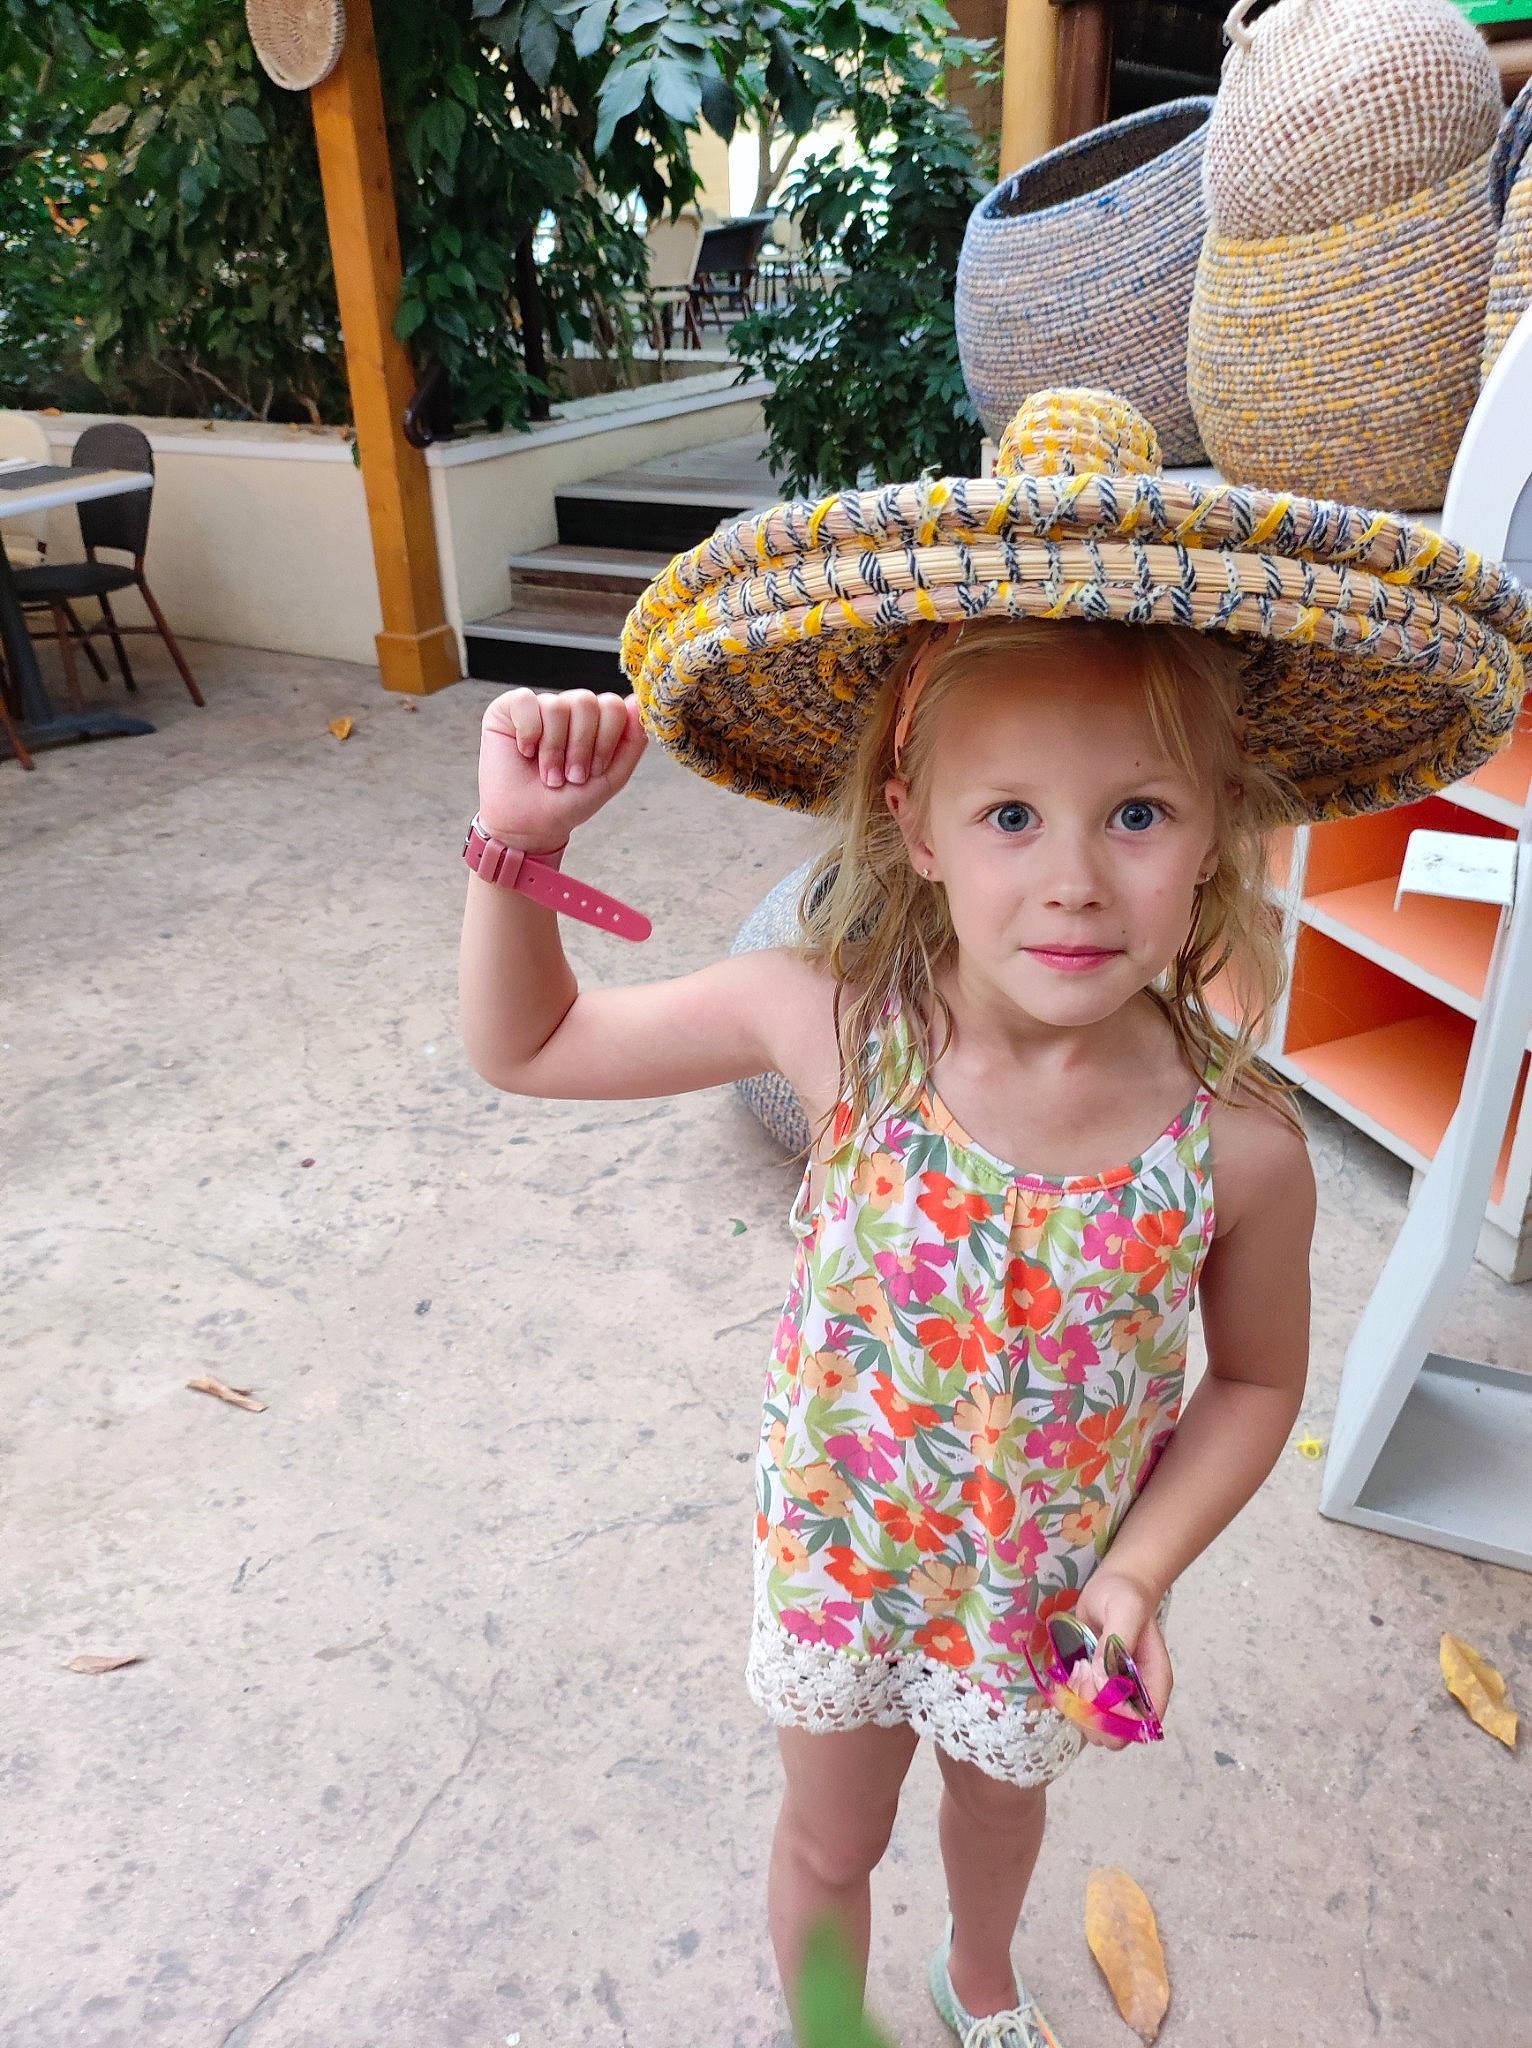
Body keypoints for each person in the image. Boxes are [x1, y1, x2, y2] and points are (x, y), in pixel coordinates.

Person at [458, 392, 1529, 2048]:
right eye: (1013, 815)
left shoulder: (1237, 1147)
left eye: (1141, 814)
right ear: (918, 823)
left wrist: (1142, 1578)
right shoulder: (825, 1023)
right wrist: (513, 862)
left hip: (1048, 1592)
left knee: (998, 1819)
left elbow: (1250, 1390)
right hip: (844, 1569)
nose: (1077, 879)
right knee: (830, 1834)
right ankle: (832, 2028)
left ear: (1222, 828)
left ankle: (978, 1987)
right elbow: (526, 1047)